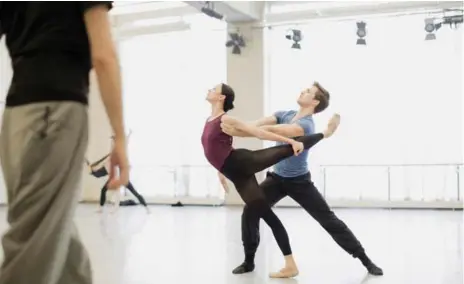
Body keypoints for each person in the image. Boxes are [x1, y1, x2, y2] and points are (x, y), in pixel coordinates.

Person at [0, 2, 129, 284]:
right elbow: (104, 57)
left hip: (16, 115)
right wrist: (119, 136)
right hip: (56, 111)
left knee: (54, 224)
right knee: (35, 237)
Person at [228, 82, 384, 276]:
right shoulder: (284, 113)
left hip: (299, 182)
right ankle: (249, 261)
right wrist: (239, 127)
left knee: (329, 221)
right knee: (250, 210)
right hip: (276, 179)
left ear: (315, 101)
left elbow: (277, 131)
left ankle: (365, 260)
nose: (303, 90)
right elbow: (260, 123)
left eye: (308, 91)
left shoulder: (306, 125)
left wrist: (239, 129)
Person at [201, 83, 340, 278]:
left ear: (221, 97)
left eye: (213, 88)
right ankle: (264, 263)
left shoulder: (226, 118)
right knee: (264, 214)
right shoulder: (211, 119)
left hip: (243, 162)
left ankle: (325, 133)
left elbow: (258, 132)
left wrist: (292, 141)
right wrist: (220, 170)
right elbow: (218, 147)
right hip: (237, 175)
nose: (209, 89)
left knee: (284, 151)